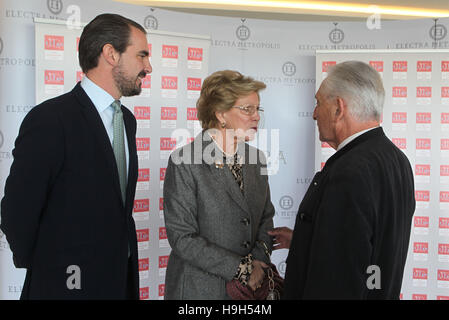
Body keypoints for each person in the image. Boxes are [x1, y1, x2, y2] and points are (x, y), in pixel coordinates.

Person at [0, 13, 152, 299]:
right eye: (142, 55)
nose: (148, 67)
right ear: (111, 54)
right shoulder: (50, 119)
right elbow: (17, 213)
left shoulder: (127, 121)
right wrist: (49, 268)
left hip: (119, 282)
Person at [274, 61, 415, 299]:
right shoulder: (398, 160)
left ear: (339, 109)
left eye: (319, 103)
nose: (314, 113)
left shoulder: (349, 172)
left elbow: (337, 277)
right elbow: (364, 246)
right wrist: (304, 239)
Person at [163, 70, 275, 299]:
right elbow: (182, 238)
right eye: (247, 109)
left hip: (249, 293)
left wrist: (257, 263)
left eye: (258, 109)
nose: (256, 117)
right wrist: (241, 269)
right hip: (199, 291)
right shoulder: (185, 162)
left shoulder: (257, 159)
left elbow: (266, 218)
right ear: (221, 114)